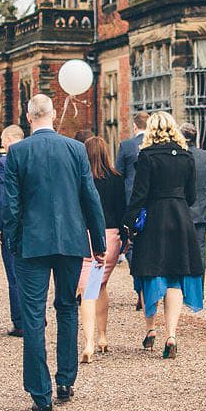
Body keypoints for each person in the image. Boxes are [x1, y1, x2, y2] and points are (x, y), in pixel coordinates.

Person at [0, 94, 105, 411]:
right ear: (54, 114)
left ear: (29, 117)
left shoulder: (17, 152)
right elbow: (90, 196)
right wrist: (98, 241)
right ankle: (65, 380)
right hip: (70, 240)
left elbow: (12, 205)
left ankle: (40, 392)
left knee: (33, 315)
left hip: (31, 243)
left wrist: (13, 242)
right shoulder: (75, 149)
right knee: (66, 307)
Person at [127, 112, 205, 358]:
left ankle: (151, 329)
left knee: (150, 272)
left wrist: (128, 222)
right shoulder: (186, 156)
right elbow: (191, 195)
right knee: (175, 276)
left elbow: (139, 194)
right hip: (180, 217)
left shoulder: (147, 156)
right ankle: (171, 334)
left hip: (155, 218)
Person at [78, 135, 129, 361]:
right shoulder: (117, 178)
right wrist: (125, 238)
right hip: (111, 236)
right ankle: (102, 336)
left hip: (86, 236)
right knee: (100, 287)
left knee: (87, 291)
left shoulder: (81, 178)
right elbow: (122, 211)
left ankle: (89, 342)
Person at [0, 124, 26, 337]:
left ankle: (20, 322)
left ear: (10, 139)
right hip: (34, 224)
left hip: (13, 226)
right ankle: (37, 316)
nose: (2, 145)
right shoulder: (33, 158)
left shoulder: (4, 162)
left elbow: (1, 198)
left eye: (3, 140)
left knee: (14, 275)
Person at [181, 120, 206, 289]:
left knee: (180, 247)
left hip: (181, 207)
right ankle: (198, 287)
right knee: (200, 249)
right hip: (202, 206)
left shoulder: (178, 155)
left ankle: (182, 286)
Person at [116, 110, 147, 201]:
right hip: (153, 196)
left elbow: (119, 173)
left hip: (131, 194)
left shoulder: (126, 145)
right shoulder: (157, 144)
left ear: (134, 127)